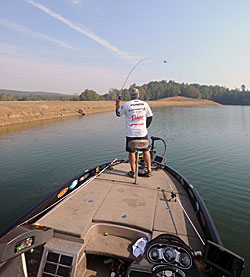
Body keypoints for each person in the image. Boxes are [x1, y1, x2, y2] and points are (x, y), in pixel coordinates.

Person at [115, 88, 153, 177]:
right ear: (138, 95)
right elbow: (150, 117)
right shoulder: (145, 104)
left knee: (131, 152)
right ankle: (149, 170)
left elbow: (118, 113)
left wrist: (117, 103)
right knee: (146, 150)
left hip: (131, 133)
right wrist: (145, 127)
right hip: (142, 132)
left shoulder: (127, 105)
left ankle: (133, 172)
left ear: (130, 95)